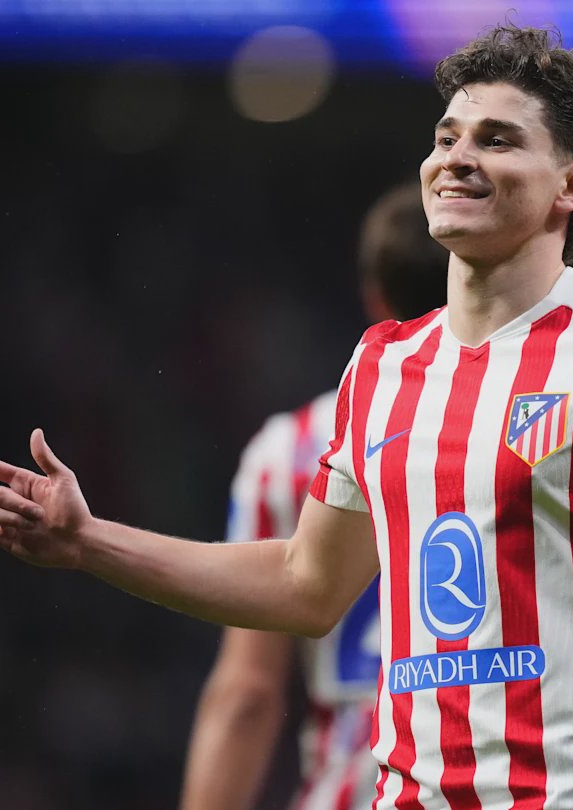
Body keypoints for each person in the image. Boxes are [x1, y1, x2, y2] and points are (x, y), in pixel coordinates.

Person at [0, 23, 573, 809]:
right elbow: (305, 583)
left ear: (572, 184)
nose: (456, 158)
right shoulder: (381, 366)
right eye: (446, 137)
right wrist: (89, 542)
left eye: (496, 140)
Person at [180, 184, 447, 810]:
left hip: (354, 789)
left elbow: (248, 692)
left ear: (375, 299)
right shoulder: (529, 431)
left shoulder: (289, 453)